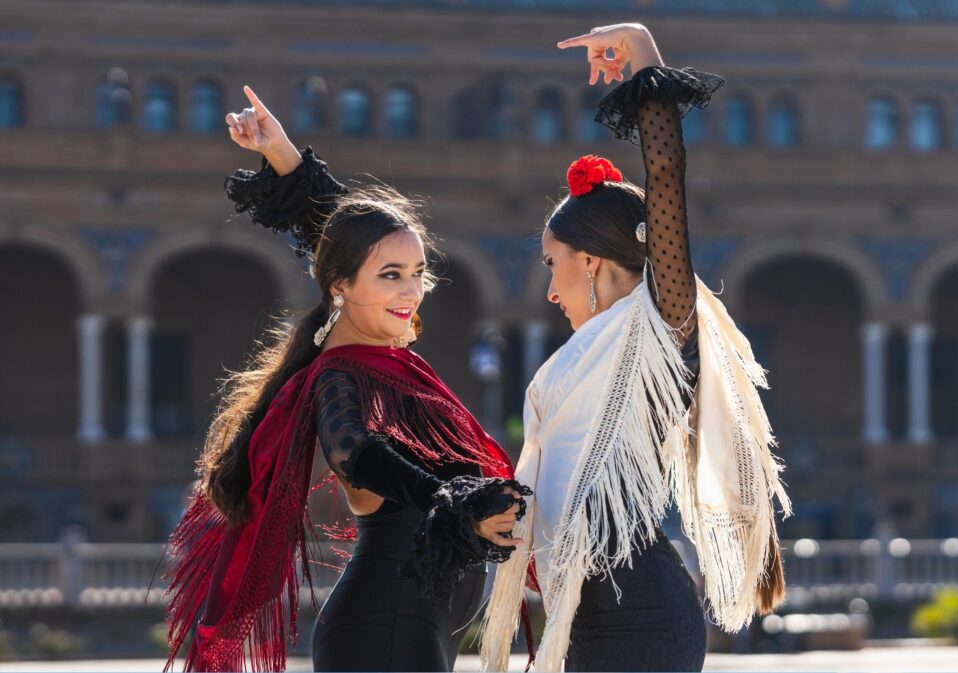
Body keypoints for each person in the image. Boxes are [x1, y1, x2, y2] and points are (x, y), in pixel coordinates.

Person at [161, 87, 531, 672]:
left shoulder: (387, 362)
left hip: (413, 627)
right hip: (384, 629)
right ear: (340, 286)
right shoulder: (340, 376)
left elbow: (344, 234)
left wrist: (283, 154)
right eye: (391, 275)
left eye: (417, 272)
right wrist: (452, 500)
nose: (411, 291)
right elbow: (357, 452)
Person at [479, 24, 792, 672]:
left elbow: (667, 176)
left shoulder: (659, 328)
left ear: (590, 262)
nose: (548, 288)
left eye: (551, 263)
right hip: (588, 610)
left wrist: (643, 56)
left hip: (642, 615)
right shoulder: (587, 350)